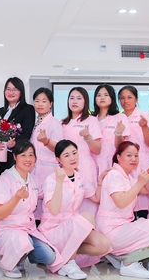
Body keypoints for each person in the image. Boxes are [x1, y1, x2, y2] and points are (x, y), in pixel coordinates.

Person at [95, 141, 149, 279]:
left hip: (118, 227)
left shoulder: (128, 176)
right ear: (118, 157)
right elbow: (121, 202)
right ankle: (128, 264)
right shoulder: (114, 174)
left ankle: (118, 256)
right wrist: (139, 182)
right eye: (129, 155)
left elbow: (145, 190)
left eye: (136, 156)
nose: (134, 159)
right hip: (110, 228)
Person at [37, 140, 110, 280]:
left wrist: (100, 181)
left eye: (74, 153)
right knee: (87, 217)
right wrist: (60, 181)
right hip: (53, 230)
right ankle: (69, 263)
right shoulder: (52, 179)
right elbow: (54, 209)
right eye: (67, 155)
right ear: (58, 159)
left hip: (73, 228)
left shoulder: (79, 176)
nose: (72, 158)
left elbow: (95, 198)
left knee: (103, 244)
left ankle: (65, 255)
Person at [0, 140, 63, 278]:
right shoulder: (5, 179)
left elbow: (45, 196)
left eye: (31, 155)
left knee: (49, 257)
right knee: (25, 241)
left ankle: (21, 255)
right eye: (23, 155)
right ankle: (8, 263)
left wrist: (61, 180)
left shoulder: (34, 180)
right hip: (7, 229)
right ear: (15, 157)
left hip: (28, 229)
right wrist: (16, 198)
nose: (28, 159)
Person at [61, 87, 102, 215]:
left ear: (85, 102)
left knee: (87, 204)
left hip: (85, 166)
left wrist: (88, 137)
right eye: (72, 98)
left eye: (79, 98)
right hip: (66, 167)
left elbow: (97, 149)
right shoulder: (63, 123)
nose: (74, 101)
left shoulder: (91, 120)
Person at [118, 85, 149, 217]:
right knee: (127, 198)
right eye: (122, 98)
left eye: (129, 97)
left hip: (143, 162)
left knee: (145, 201)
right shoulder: (118, 118)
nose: (126, 101)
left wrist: (145, 127)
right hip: (124, 164)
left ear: (136, 99)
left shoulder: (145, 116)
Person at [29, 87, 63, 220]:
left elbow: (59, 148)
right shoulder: (34, 122)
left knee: (48, 202)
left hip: (48, 168)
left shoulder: (54, 123)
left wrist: (46, 141)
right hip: (34, 167)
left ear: (51, 103)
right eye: (37, 101)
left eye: (44, 101)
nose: (40, 104)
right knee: (35, 200)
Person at [0, 77, 35, 177]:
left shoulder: (28, 109)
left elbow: (27, 133)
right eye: (8, 89)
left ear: (21, 92)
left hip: (15, 159)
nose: (11, 92)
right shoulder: (1, 111)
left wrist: (14, 143)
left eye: (15, 89)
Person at [93, 84, 129, 172]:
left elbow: (121, 146)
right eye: (99, 95)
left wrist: (118, 133)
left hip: (112, 161)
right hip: (92, 162)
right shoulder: (91, 119)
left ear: (112, 98)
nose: (102, 98)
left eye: (106, 95)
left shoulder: (120, 117)